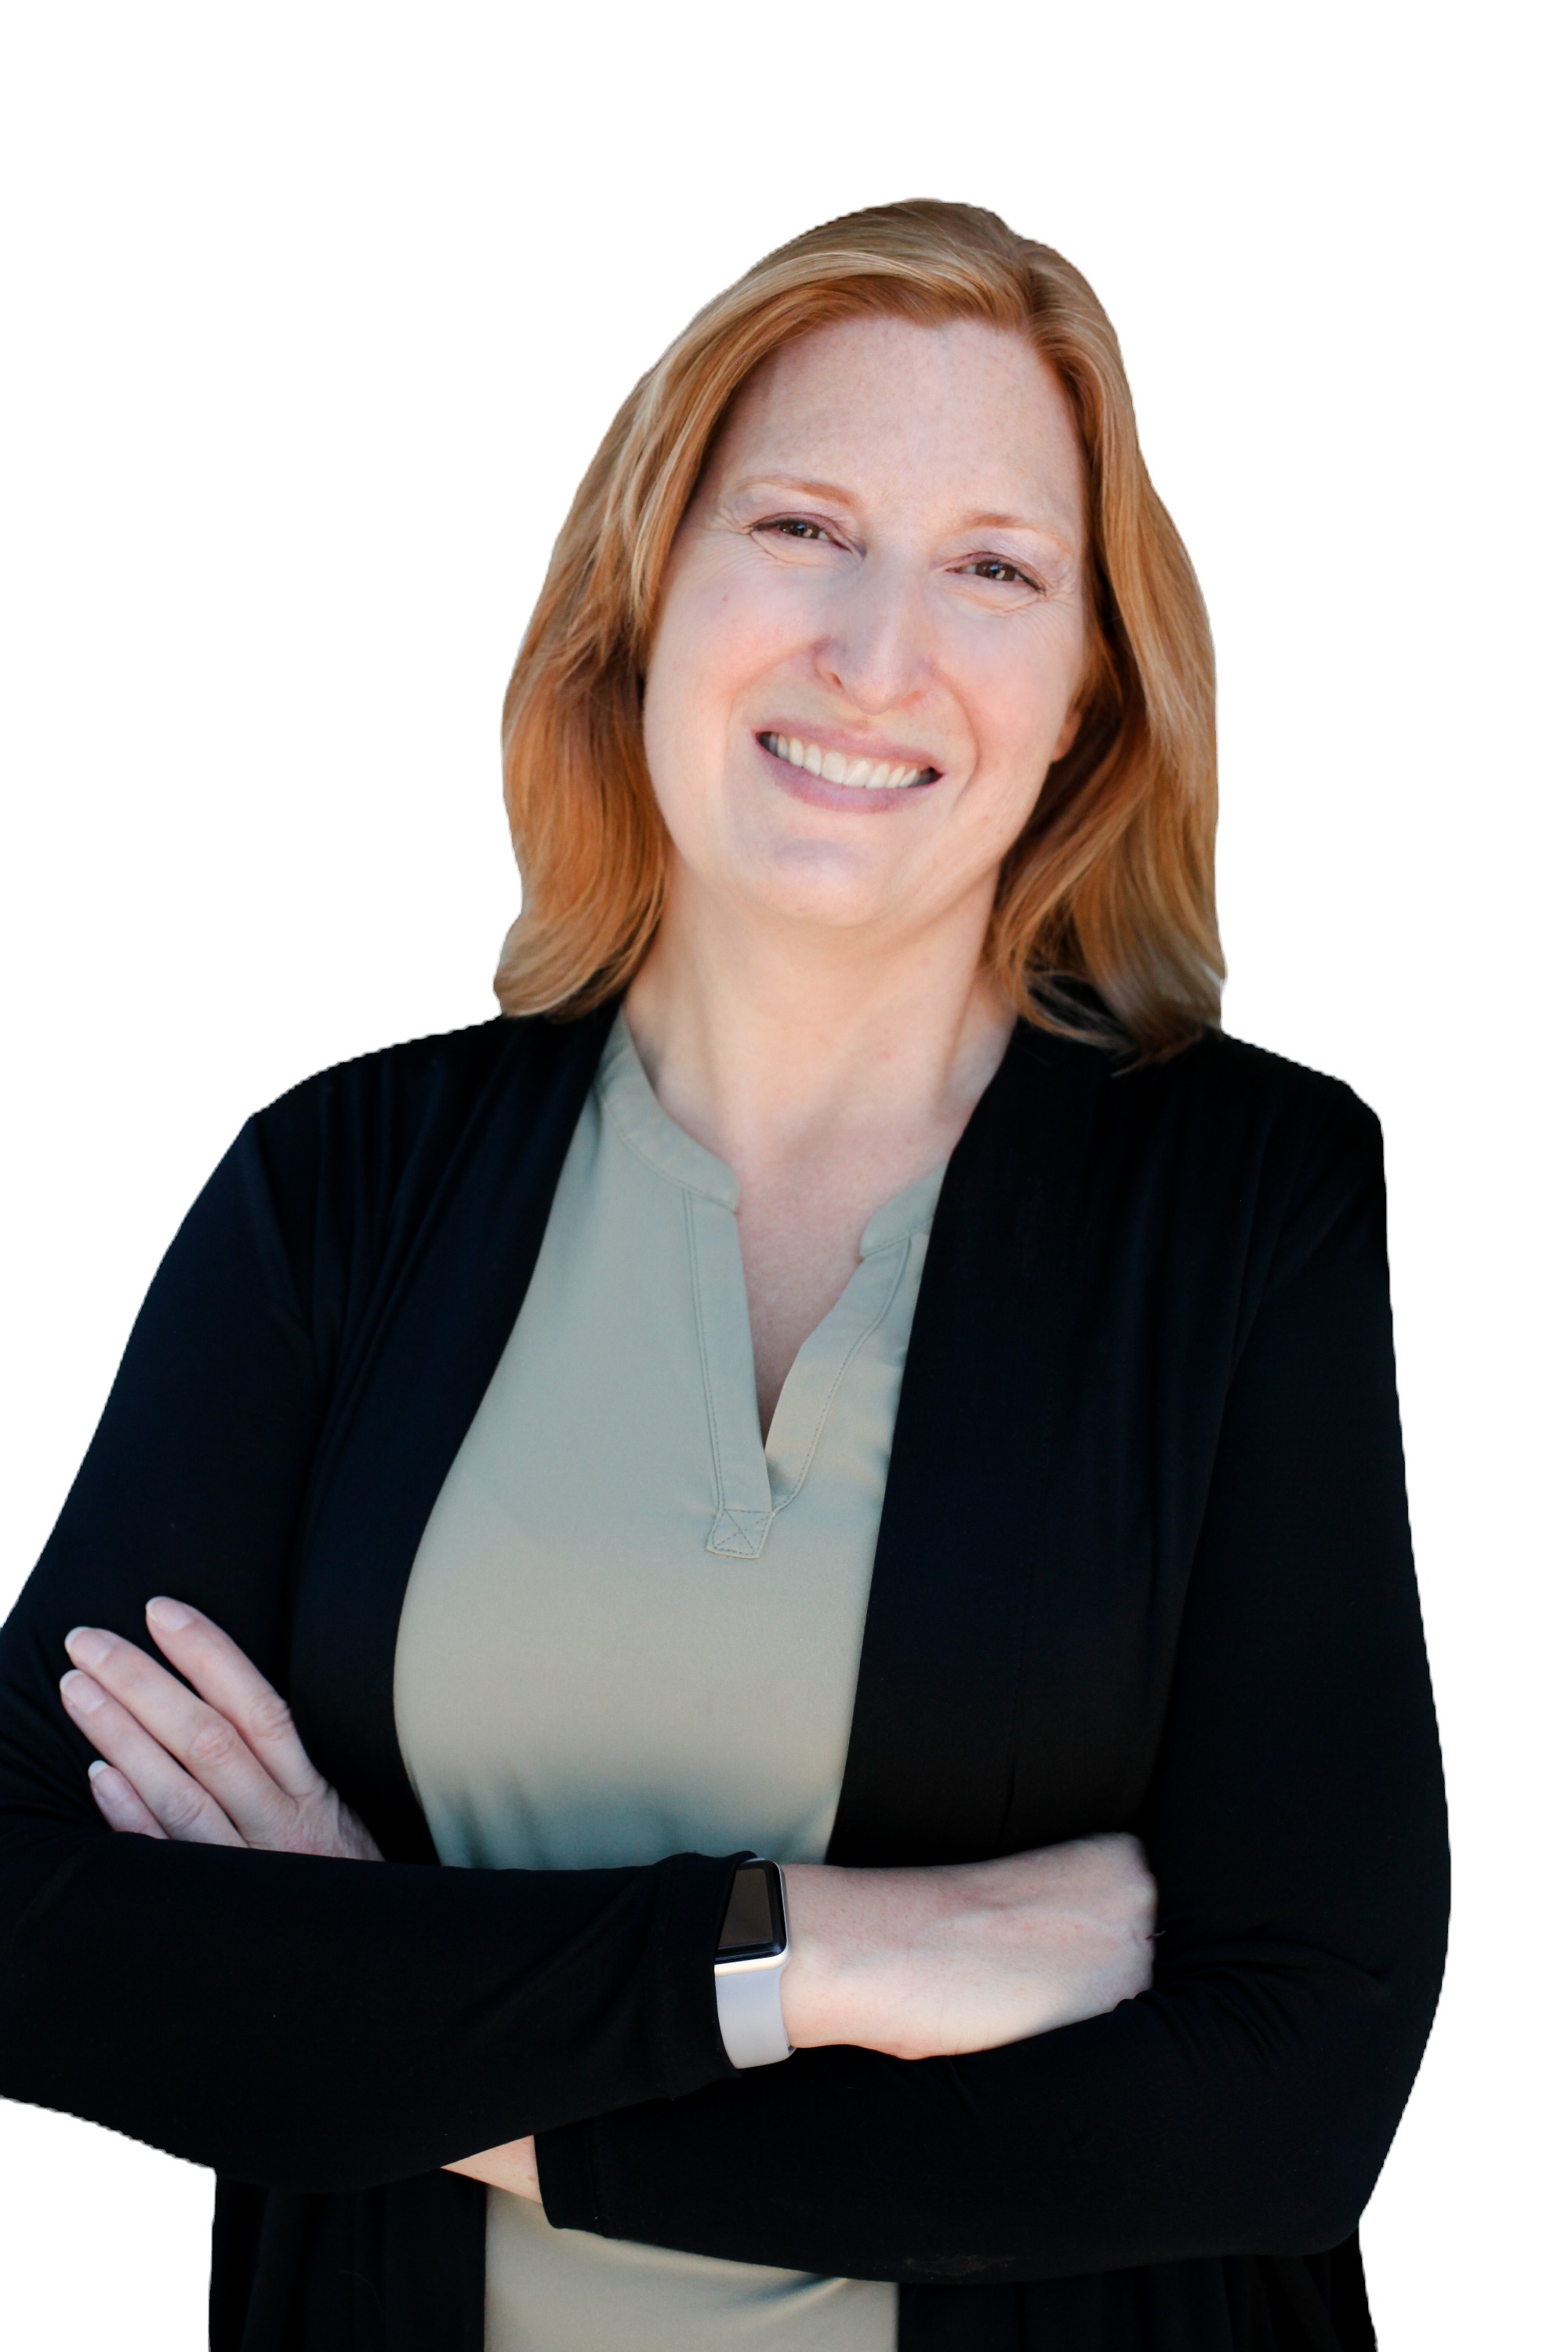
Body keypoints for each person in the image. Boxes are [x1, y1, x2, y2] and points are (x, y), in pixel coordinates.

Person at [0, 200, 1446, 2352]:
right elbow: (39, 1925)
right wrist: (812, 1960)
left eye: (994, 567)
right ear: (643, 598)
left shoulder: (1245, 1205)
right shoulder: (348, 1190)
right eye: (802, 525)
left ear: (1085, 698)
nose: (877, 651)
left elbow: (1282, 2097)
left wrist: (391, 2018)